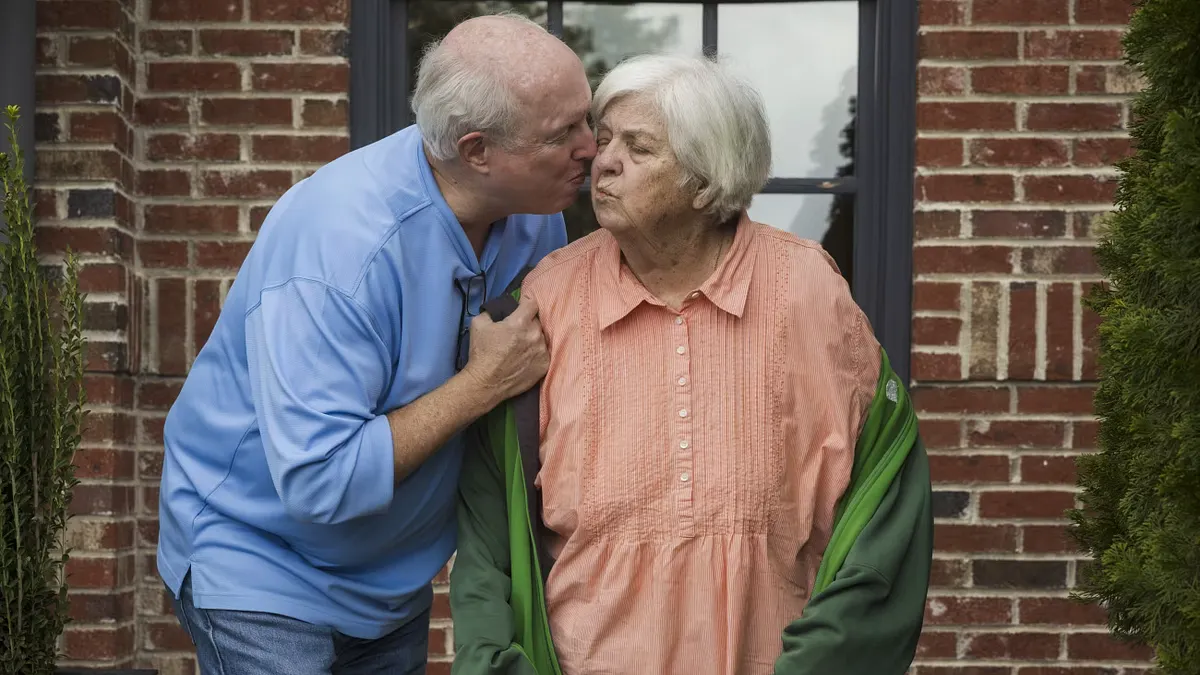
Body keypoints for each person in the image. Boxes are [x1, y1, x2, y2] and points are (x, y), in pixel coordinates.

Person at [449, 53, 933, 675]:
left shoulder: (805, 290)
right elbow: (489, 530)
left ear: (706, 181)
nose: (604, 161)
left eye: (640, 148)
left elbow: (881, 508)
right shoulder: (547, 302)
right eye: (605, 141)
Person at [155, 13, 596, 674]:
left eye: (588, 119)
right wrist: (482, 383)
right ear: (477, 152)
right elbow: (318, 478)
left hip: (391, 584)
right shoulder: (341, 247)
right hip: (260, 559)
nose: (592, 148)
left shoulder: (537, 222)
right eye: (564, 134)